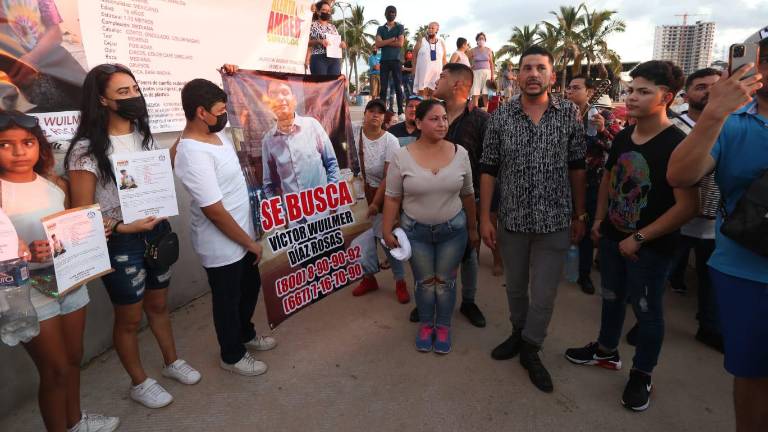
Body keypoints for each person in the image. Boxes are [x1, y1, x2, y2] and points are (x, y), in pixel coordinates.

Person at [565, 60, 698, 412]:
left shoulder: (677, 144)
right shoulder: (625, 135)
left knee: (647, 311)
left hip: (651, 249)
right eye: (631, 90)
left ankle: (642, 374)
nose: (632, 97)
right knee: (611, 297)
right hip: (612, 236)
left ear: (666, 97)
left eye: (643, 91)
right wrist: (598, 219)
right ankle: (606, 351)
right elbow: (609, 178)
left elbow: (688, 206)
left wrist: (639, 238)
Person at [65, 64, 200, 409]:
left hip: (157, 232)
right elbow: (82, 213)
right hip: (122, 243)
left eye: (135, 89)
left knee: (159, 304)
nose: (133, 97)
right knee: (129, 318)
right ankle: (139, 382)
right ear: (102, 100)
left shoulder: (145, 136)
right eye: (123, 92)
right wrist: (124, 227)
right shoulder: (85, 151)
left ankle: (171, 361)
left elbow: (156, 179)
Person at [667, 34, 768, 432]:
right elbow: (680, 174)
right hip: (748, 271)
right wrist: (714, 113)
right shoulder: (731, 124)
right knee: (754, 376)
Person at [1, 110, 120, 431]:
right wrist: (25, 253)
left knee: (72, 358)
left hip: (69, 280)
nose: (18, 151)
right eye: (5, 144)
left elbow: (68, 228)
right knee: (54, 370)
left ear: (39, 144)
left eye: (27, 142)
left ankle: (76, 421)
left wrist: (93, 233)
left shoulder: (54, 184)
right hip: (27, 292)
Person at [479, 46, 587, 393]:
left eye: (541, 68)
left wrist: (580, 213)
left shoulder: (568, 113)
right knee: (515, 288)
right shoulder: (501, 116)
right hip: (512, 221)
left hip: (555, 221)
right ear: (517, 75)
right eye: (527, 68)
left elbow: (577, 166)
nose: (533, 74)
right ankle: (517, 332)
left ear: (552, 76)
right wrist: (484, 218)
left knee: (543, 294)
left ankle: (531, 346)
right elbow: (488, 169)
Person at [174, 78, 277, 377]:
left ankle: (245, 334)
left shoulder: (214, 135)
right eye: (219, 111)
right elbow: (214, 211)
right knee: (227, 301)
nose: (223, 116)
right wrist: (249, 243)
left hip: (242, 233)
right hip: (221, 243)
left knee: (249, 288)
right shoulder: (193, 153)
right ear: (201, 112)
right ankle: (231, 355)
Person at [383, 99, 478, 354]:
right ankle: (426, 324)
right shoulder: (402, 156)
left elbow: (468, 194)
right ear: (419, 123)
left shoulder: (460, 153)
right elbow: (392, 197)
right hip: (416, 233)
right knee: (425, 282)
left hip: (453, 232)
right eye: (434, 119)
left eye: (444, 118)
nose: (442, 123)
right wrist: (386, 229)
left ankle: (443, 325)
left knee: (445, 282)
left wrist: (473, 228)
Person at [415, 62, 488, 327]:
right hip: (430, 199)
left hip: (467, 201)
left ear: (457, 84)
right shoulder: (432, 114)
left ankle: (468, 301)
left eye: (443, 76)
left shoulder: (481, 120)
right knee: (429, 253)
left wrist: (483, 211)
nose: (437, 79)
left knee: (469, 253)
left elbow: (489, 167)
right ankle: (427, 301)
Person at [665, 68, 724, 351]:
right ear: (686, 94)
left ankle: (709, 327)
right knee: (662, 273)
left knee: (710, 280)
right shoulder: (673, 126)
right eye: (701, 86)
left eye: (715, 86)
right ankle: (645, 322)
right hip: (676, 217)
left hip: (716, 222)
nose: (709, 91)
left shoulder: (732, 125)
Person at [565, 76, 621, 294]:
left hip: (591, 183)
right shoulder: (562, 115)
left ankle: (584, 273)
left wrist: (602, 131)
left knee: (586, 229)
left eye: (576, 88)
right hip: (563, 181)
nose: (570, 91)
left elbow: (617, 148)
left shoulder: (603, 116)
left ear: (590, 92)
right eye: (569, 87)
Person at [349, 99, 409, 303]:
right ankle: (368, 278)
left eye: (380, 112)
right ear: (364, 114)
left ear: (384, 118)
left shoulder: (390, 140)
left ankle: (400, 281)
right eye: (371, 111)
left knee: (386, 239)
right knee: (361, 240)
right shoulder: (353, 131)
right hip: (356, 195)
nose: (375, 115)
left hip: (382, 194)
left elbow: (388, 177)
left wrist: (375, 203)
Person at [260, 79, 341, 199]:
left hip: (323, 205)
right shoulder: (268, 140)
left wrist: (330, 199)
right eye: (274, 94)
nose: (280, 98)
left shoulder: (312, 126)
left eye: (284, 92)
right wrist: (282, 209)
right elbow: (268, 185)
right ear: (269, 103)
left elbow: (332, 164)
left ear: (294, 99)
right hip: (292, 210)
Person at [0, 0, 86, 112]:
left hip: (46, 56)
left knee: (88, 97)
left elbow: (55, 33)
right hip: (9, 66)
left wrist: (31, 58)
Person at [374, 6, 405, 116]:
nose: (391, 14)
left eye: (393, 12)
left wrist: (384, 42)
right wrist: (392, 39)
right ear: (385, 14)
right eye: (389, 12)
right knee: (383, 88)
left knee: (398, 86)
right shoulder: (380, 28)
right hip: (384, 61)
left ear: (395, 14)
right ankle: (382, 111)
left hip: (396, 60)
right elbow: (378, 44)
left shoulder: (400, 27)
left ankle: (401, 111)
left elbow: (400, 43)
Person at [308, 1, 346, 76]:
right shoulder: (311, 25)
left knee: (334, 82)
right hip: (319, 58)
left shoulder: (333, 27)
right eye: (324, 10)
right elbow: (305, 42)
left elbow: (337, 41)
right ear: (318, 12)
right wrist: (319, 41)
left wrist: (342, 44)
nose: (327, 12)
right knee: (321, 82)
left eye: (328, 11)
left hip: (334, 59)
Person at [412, 22, 447, 98]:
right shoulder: (421, 41)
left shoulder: (441, 43)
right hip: (423, 74)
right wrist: (414, 69)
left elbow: (444, 59)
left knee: (434, 96)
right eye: (429, 28)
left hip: (436, 75)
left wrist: (445, 72)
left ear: (437, 30)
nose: (430, 30)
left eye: (432, 28)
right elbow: (414, 55)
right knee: (422, 96)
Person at [468, 33, 495, 109]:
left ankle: (486, 110)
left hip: (487, 73)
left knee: (486, 93)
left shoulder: (489, 50)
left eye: (482, 38)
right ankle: (475, 111)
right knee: (475, 93)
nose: (481, 40)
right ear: (476, 40)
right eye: (479, 38)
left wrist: (492, 76)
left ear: (485, 40)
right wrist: (470, 67)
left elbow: (491, 63)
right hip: (476, 73)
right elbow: (465, 59)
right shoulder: (473, 50)